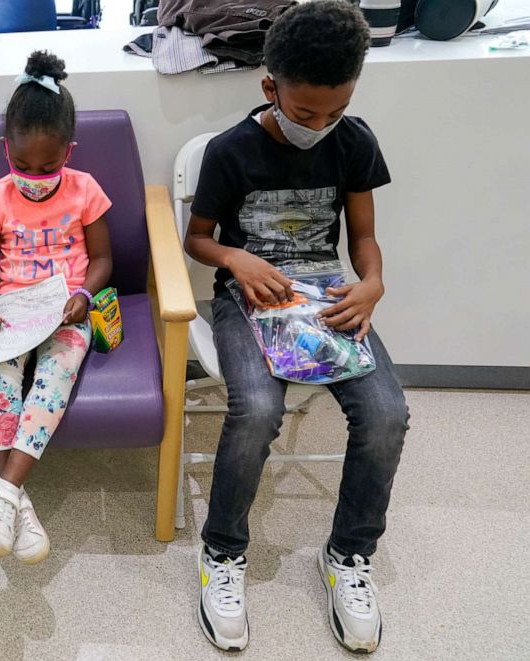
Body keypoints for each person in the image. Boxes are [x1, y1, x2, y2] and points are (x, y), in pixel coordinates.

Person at [184, 2, 409, 653]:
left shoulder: (356, 140)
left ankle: (348, 554)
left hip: (325, 293)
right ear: (269, 88)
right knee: (255, 407)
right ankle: (222, 552)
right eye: (305, 113)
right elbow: (198, 239)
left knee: (388, 412)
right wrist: (235, 255)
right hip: (245, 297)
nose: (320, 126)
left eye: (334, 112)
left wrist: (372, 283)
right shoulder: (230, 152)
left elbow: (364, 240)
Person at [0, 51, 112, 565]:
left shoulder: (85, 190)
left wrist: (83, 296)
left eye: (49, 165)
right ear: (5, 148)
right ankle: (14, 500)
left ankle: (3, 493)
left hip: (67, 310)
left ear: (69, 151)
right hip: (10, 310)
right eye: (21, 164)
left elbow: (102, 259)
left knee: (52, 382)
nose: (34, 175)